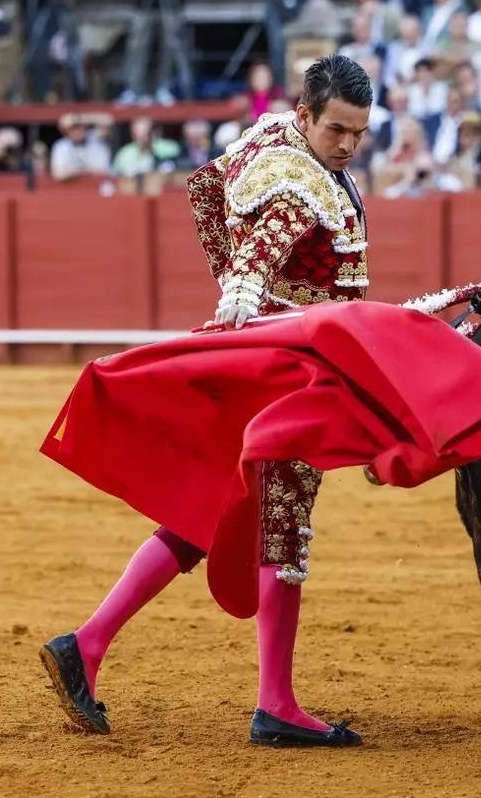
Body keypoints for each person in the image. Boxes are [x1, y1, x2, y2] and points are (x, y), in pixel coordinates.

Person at [40, 54, 373, 749]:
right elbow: (254, 259)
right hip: (291, 377)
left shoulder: (270, 138)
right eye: (337, 129)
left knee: (211, 513)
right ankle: (276, 705)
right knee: (282, 526)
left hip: (270, 360)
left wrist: (248, 318)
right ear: (307, 115)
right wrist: (245, 307)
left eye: (359, 133)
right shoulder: (297, 185)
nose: (347, 145)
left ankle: (87, 645)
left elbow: (206, 191)